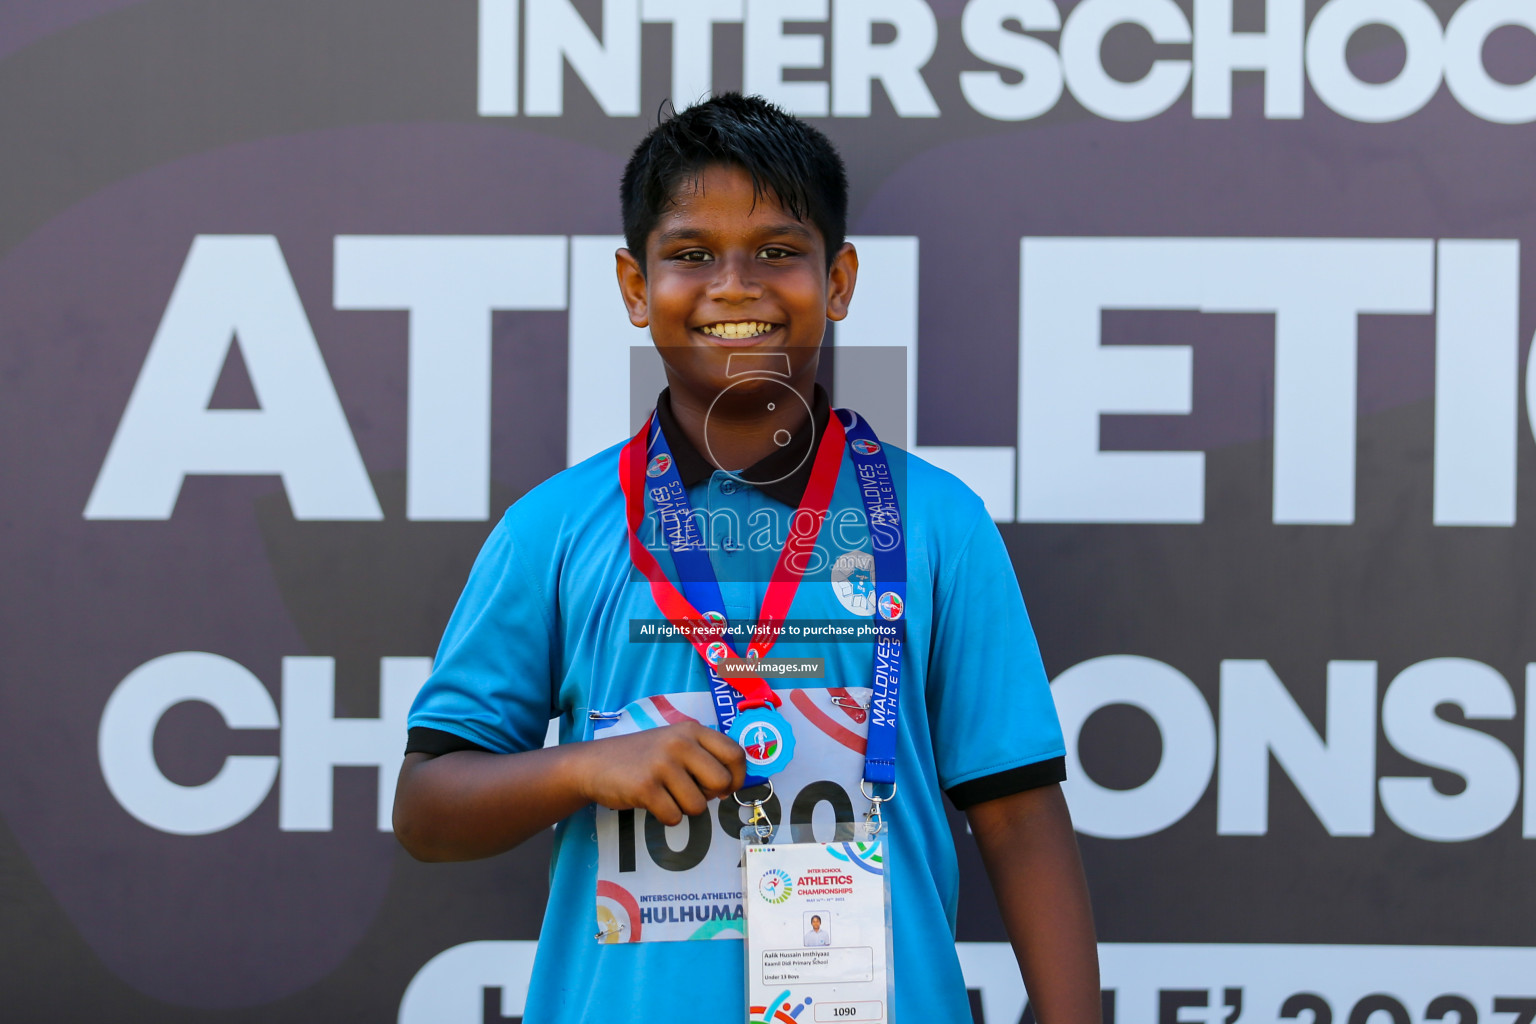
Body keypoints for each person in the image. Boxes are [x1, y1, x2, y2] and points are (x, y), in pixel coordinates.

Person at [392, 92, 1099, 1023]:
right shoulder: (556, 529)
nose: (735, 285)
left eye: (778, 251)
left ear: (838, 280)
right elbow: (427, 808)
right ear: (636, 287)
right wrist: (584, 768)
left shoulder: (935, 523)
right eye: (690, 254)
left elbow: (1019, 817)